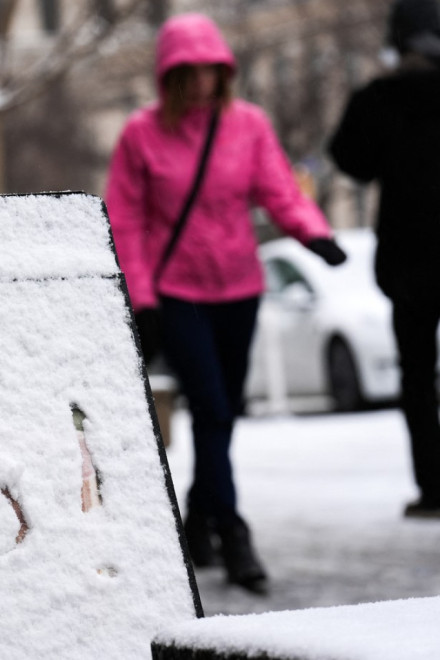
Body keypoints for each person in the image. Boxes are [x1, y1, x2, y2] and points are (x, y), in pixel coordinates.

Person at [106, 14, 346, 592]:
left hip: (239, 287)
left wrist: (313, 233)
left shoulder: (248, 126)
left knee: (223, 411)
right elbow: (127, 218)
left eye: (211, 72)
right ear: (169, 75)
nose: (200, 83)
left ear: (224, 72)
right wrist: (141, 297)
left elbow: (278, 189)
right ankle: (235, 533)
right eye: (188, 73)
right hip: (177, 292)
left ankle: (197, 521)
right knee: (212, 407)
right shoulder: (142, 134)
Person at [329, 0, 440, 519]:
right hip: (412, 261)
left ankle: (433, 487)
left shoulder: (381, 97)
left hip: (410, 262)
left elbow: (350, 160)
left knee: (417, 377)